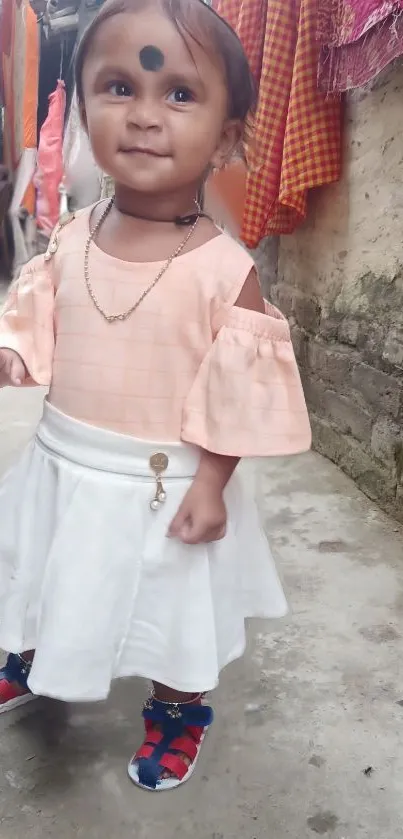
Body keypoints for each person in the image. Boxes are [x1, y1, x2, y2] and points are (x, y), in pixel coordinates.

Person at [0, 0, 311, 791]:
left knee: (170, 613)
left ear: (227, 134)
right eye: (117, 87)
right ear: (81, 114)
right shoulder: (71, 234)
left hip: (163, 486)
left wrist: (212, 483)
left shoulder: (222, 270)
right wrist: (15, 350)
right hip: (65, 462)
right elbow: (40, 316)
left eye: (178, 94)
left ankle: (175, 712)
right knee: (43, 572)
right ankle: (33, 655)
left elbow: (235, 394)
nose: (143, 116)